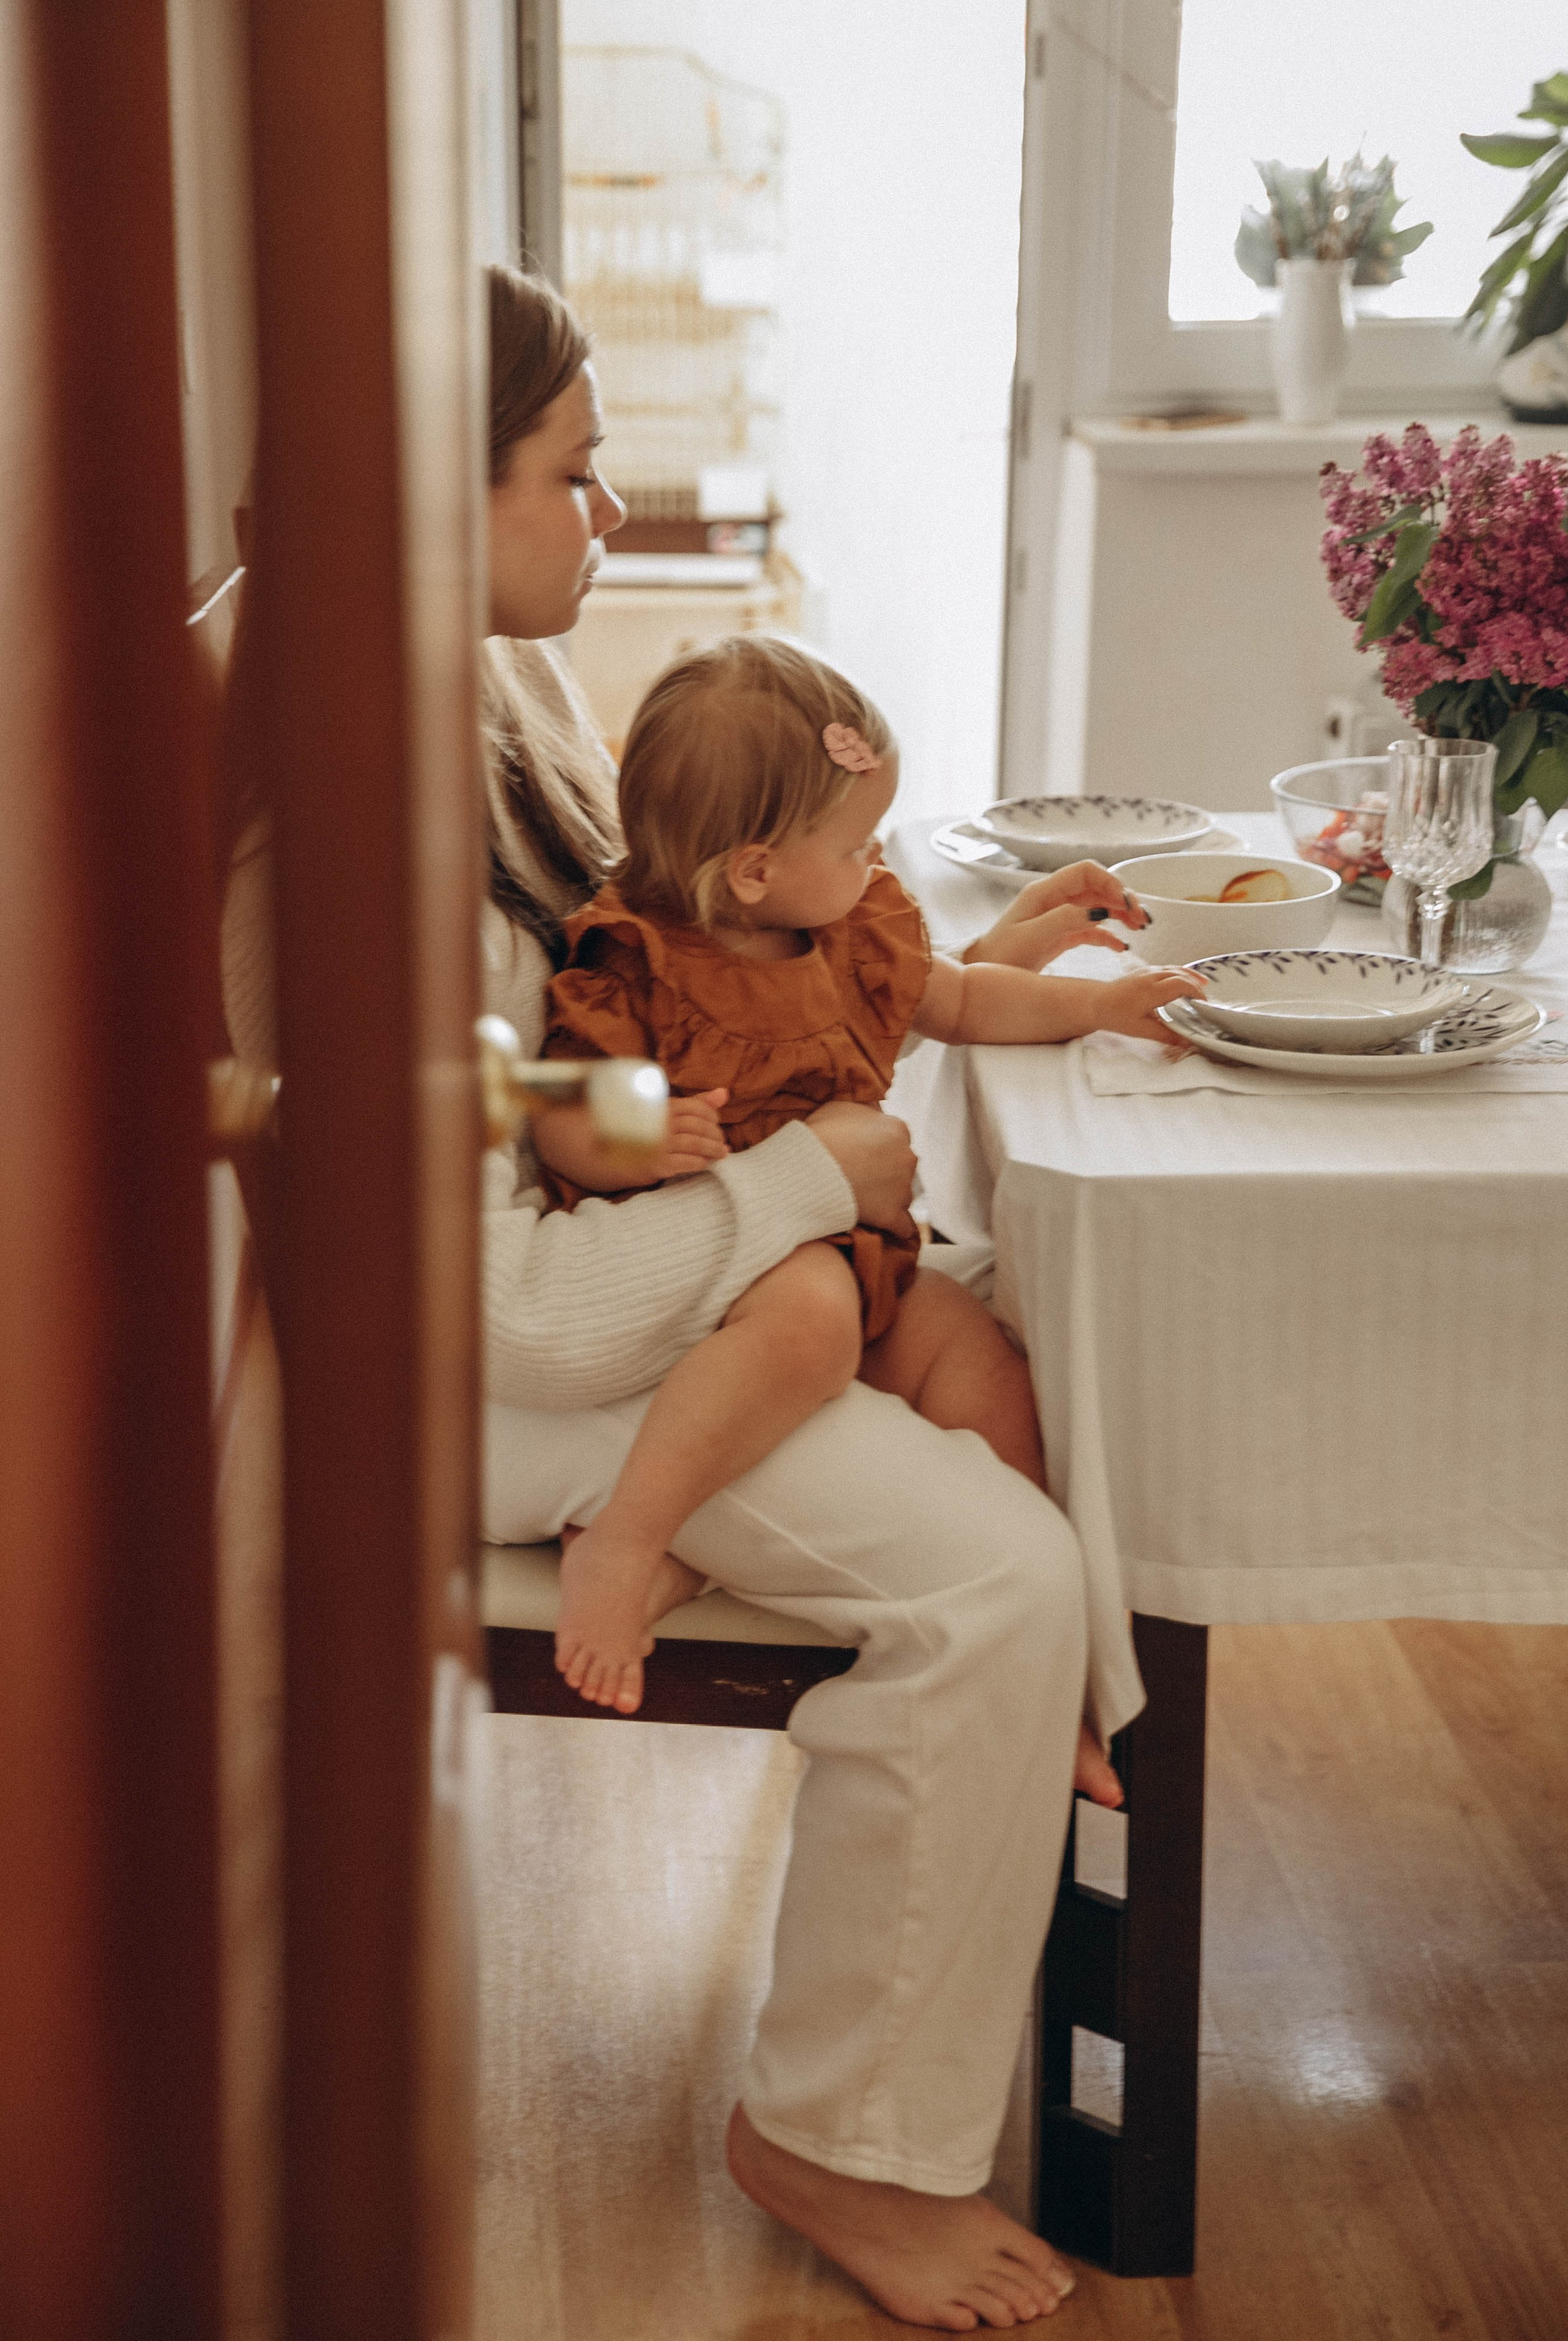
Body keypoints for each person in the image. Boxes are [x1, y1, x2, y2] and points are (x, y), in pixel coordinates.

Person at [476, 262, 1152, 2332]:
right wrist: (799, 1178)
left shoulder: (496, 687)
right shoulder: (345, 807)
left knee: (1021, 1372)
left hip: (707, 1267)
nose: (608, 517)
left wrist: (943, 961)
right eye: (574, 476)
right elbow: (516, 1305)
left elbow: (774, 964)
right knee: (1007, 1582)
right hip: (562, 1362)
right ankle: (837, 2138)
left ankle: (1056, 1743)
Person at [530, 632, 1202, 1724]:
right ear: (753, 869)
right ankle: (626, 1541)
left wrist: (1099, 1004)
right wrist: (633, 1138)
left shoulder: (844, 931)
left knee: (986, 1365)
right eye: (856, 841)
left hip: (849, 1245)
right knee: (811, 1322)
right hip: (722, 1262)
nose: (876, 862)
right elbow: (553, 1105)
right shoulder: (638, 963)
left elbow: (967, 1000)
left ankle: (1042, 1681)